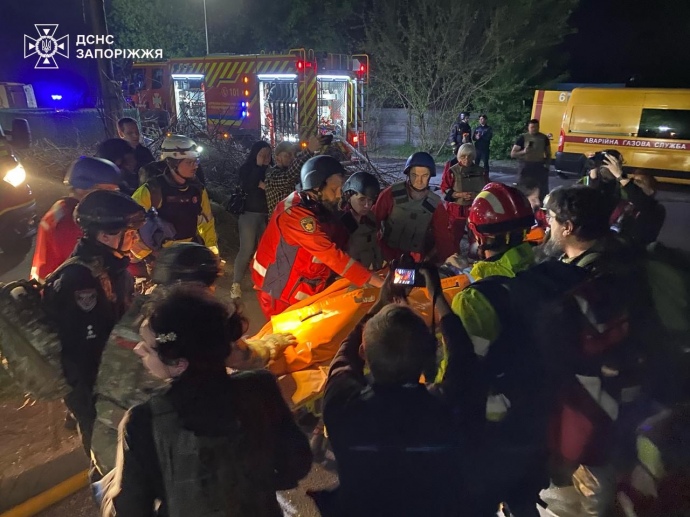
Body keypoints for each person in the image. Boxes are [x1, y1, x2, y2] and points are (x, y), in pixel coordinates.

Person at [102, 285, 313, 516]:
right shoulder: (260, 386)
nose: (138, 350)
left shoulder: (143, 420)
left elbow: (130, 508)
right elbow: (296, 463)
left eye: (148, 349)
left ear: (180, 364)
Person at [92, 242, 295, 476]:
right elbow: (243, 358)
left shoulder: (140, 308)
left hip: (105, 439)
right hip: (150, 448)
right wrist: (271, 344)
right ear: (199, 284)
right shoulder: (191, 316)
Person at [321, 266, 478, 517]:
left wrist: (379, 303)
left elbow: (343, 358)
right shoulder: (448, 409)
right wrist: (436, 294)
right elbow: (464, 355)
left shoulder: (342, 407)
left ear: (364, 353)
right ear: (429, 353)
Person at [545, 185, 655, 517]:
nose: (547, 223)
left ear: (567, 227)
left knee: (592, 476)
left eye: (551, 218)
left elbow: (584, 351)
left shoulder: (591, 278)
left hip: (598, 404)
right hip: (615, 397)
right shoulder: (614, 256)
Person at [42, 190, 145, 454]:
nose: (135, 238)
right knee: (105, 455)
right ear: (105, 236)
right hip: (91, 387)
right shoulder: (80, 280)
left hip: (114, 380)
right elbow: (88, 350)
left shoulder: (114, 268)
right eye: (129, 233)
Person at [252, 155, 384, 318]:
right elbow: (331, 254)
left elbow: (337, 234)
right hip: (280, 294)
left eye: (340, 189)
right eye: (334, 189)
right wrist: (375, 281)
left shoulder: (316, 206)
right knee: (288, 333)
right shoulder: (295, 215)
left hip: (298, 288)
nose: (338, 195)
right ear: (315, 187)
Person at [31, 157, 121, 282]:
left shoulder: (64, 208)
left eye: (114, 191)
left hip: (57, 283)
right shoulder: (72, 221)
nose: (111, 197)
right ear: (83, 188)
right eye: (107, 190)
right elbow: (88, 264)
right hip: (61, 288)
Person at [131, 134, 218, 264]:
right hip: (162, 257)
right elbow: (129, 222)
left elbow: (207, 223)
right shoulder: (152, 190)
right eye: (189, 162)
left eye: (196, 161)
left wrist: (213, 252)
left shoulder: (197, 190)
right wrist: (147, 255)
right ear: (172, 163)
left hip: (190, 252)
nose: (195, 166)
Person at [373, 152, 453, 264]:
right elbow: (373, 221)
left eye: (424, 175)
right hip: (386, 256)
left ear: (430, 176)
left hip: (415, 260)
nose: (419, 181)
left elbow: (443, 238)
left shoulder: (435, 203)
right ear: (408, 174)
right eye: (414, 175)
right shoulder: (391, 194)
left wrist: (450, 260)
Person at [581, 150, 665, 247]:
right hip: (606, 245)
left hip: (631, 251)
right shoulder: (621, 202)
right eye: (632, 181)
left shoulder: (656, 209)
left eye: (639, 182)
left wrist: (620, 176)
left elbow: (640, 200)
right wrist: (594, 170)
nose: (633, 183)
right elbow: (596, 197)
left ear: (651, 191)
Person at [230, 141, 271, 299]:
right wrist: (258, 167)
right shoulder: (247, 168)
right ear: (255, 154)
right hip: (249, 214)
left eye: (268, 154)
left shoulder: (272, 170)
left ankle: (263, 282)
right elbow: (247, 185)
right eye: (261, 154)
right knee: (246, 249)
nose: (265, 157)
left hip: (267, 215)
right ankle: (236, 284)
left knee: (265, 251)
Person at [440, 143, 489, 251]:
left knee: (476, 236)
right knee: (454, 235)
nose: (466, 159)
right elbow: (444, 188)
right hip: (456, 210)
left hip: (475, 209)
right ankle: (454, 255)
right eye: (463, 156)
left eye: (470, 156)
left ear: (474, 156)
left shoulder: (481, 171)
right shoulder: (452, 171)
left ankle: (474, 254)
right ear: (459, 156)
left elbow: (487, 189)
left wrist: (475, 195)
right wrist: (459, 195)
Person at [265, 136, 325, 213]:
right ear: (277, 158)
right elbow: (288, 176)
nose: (292, 158)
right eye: (287, 155)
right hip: (281, 219)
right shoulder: (272, 176)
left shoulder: (295, 173)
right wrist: (309, 150)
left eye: (293, 155)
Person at [338, 171, 384, 270]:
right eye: (362, 199)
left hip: (373, 273)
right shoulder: (341, 223)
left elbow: (376, 246)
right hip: (349, 275)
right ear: (349, 197)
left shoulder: (370, 218)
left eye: (370, 200)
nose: (367, 205)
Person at [511, 119, 552, 201]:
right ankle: (521, 201)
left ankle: (540, 203)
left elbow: (548, 153)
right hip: (526, 165)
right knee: (523, 187)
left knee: (541, 188)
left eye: (536, 127)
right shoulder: (523, 138)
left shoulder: (543, 138)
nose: (534, 129)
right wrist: (523, 151)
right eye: (532, 127)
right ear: (528, 127)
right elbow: (513, 154)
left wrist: (547, 165)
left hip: (539, 165)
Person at [516, 176, 548, 245]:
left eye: (538, 198)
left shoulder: (539, 215)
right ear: (522, 200)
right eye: (533, 199)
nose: (538, 203)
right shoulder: (513, 228)